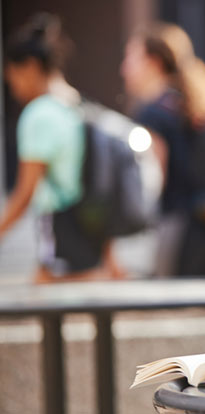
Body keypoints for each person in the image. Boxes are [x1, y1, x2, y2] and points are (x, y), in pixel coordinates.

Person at [0, 13, 123, 283]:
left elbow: (25, 193)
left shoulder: (39, 114)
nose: (12, 88)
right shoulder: (79, 104)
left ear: (30, 66)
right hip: (92, 224)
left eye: (13, 78)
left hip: (61, 226)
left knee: (50, 296)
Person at [120, 23, 205, 277]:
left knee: (170, 303)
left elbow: (152, 178)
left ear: (154, 62)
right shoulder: (187, 102)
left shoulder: (152, 112)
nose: (124, 68)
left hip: (176, 226)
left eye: (131, 57)